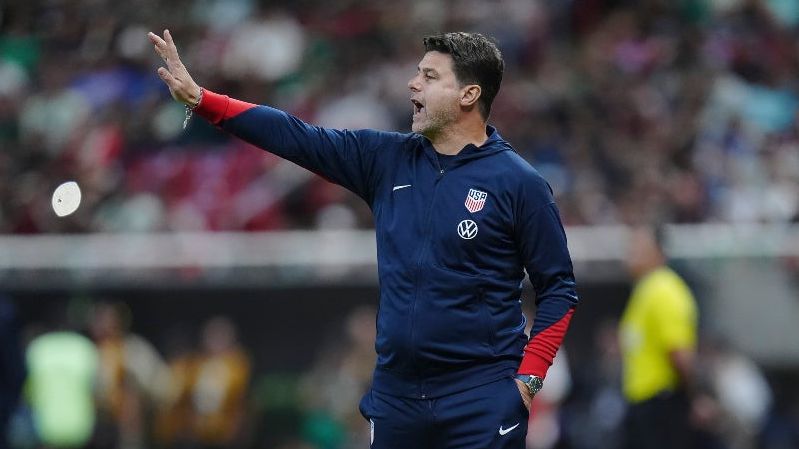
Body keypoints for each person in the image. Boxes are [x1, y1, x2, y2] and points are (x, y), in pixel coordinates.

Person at [148, 29, 579, 449]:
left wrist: (528, 380)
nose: (412, 83)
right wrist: (202, 100)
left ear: (469, 94)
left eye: (430, 76)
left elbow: (558, 288)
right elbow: (294, 135)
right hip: (397, 397)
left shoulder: (519, 184)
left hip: (480, 396)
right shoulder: (386, 160)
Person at [618, 226, 718, 449]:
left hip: (661, 405)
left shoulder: (664, 291)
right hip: (643, 404)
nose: (631, 253)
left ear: (659, 252)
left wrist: (696, 396)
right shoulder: (645, 290)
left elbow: (680, 353)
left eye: (639, 247)